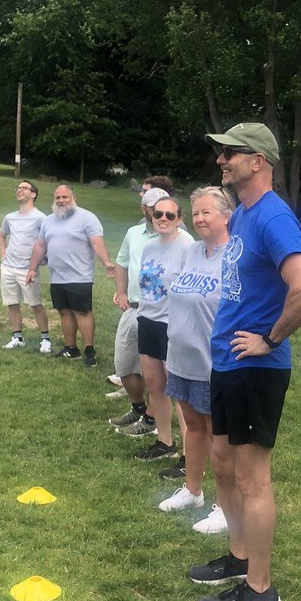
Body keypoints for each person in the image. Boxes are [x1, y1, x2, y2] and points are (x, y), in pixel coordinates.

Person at [188, 122, 301, 601]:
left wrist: (270, 339)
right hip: (228, 361)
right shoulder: (243, 213)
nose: (221, 160)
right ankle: (239, 559)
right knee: (223, 463)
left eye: (231, 153)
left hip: (255, 367)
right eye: (221, 153)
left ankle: (261, 590)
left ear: (259, 161)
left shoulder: (273, 217)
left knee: (251, 477)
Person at [157, 186, 234, 515]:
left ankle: (225, 506)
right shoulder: (191, 252)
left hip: (212, 362)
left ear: (227, 215)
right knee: (192, 424)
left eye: (207, 212)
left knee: (219, 434)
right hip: (180, 357)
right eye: (197, 213)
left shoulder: (234, 256)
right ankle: (193, 490)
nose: (200, 218)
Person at [132, 195, 194, 463]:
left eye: (170, 215)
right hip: (147, 321)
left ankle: (188, 455)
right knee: (155, 384)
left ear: (180, 219)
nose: (163, 220)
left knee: (178, 392)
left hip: (173, 325)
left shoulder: (187, 246)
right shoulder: (150, 247)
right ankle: (164, 441)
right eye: (158, 215)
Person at [26, 183, 114, 369]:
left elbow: (97, 242)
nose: (61, 201)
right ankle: (71, 348)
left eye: (65, 197)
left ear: (73, 198)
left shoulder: (87, 218)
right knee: (64, 312)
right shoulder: (49, 221)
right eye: (57, 198)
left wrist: (107, 263)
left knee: (82, 312)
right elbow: (40, 246)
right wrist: (32, 269)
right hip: (57, 277)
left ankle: (89, 350)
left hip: (80, 276)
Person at [109, 182, 173, 437]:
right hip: (134, 309)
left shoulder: (181, 238)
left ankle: (152, 421)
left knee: (158, 376)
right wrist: (122, 292)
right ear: (144, 208)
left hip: (164, 316)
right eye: (154, 209)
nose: (160, 214)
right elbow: (121, 263)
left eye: (164, 210)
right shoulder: (133, 234)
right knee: (124, 366)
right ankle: (139, 408)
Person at [0, 180, 52, 353]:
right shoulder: (9, 217)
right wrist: (3, 253)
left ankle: (45, 339)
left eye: (24, 188)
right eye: (18, 188)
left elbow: (47, 240)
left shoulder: (41, 217)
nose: (19, 190)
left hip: (28, 269)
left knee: (35, 303)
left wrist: (43, 259)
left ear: (33, 194)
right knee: (12, 303)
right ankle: (17, 337)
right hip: (8, 267)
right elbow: (1, 235)